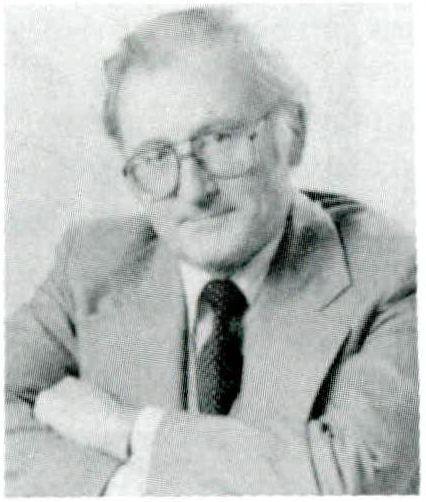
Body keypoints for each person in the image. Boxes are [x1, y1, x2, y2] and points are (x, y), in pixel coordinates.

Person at [5, 7, 419, 496]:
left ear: (293, 135)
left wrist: (126, 429)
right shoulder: (93, 262)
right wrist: (123, 487)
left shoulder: (395, 272)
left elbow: (353, 476)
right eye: (156, 157)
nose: (194, 191)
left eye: (220, 141)